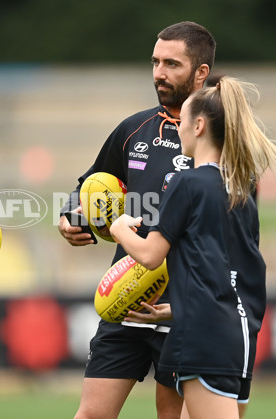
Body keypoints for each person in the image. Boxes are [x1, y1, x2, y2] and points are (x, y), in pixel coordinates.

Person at [58, 22, 216, 419]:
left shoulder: (221, 139)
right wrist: (72, 216)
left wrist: (192, 302)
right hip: (125, 297)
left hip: (183, 308)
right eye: (155, 62)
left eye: (171, 64)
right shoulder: (134, 129)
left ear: (201, 72)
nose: (159, 72)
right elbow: (91, 183)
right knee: (90, 415)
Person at [110, 77, 276, 419]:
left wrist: (119, 228)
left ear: (200, 125)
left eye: (182, 123)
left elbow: (150, 255)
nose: (177, 130)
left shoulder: (188, 182)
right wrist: (178, 307)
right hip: (239, 334)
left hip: (204, 335)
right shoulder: (240, 188)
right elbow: (232, 273)